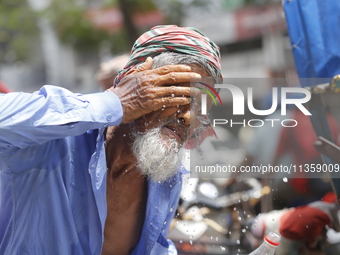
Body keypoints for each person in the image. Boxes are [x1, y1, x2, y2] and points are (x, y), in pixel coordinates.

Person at [0, 25, 222, 255]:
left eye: (200, 107)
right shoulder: (53, 141)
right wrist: (115, 102)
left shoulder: (165, 178)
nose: (188, 117)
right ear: (137, 81)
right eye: (181, 96)